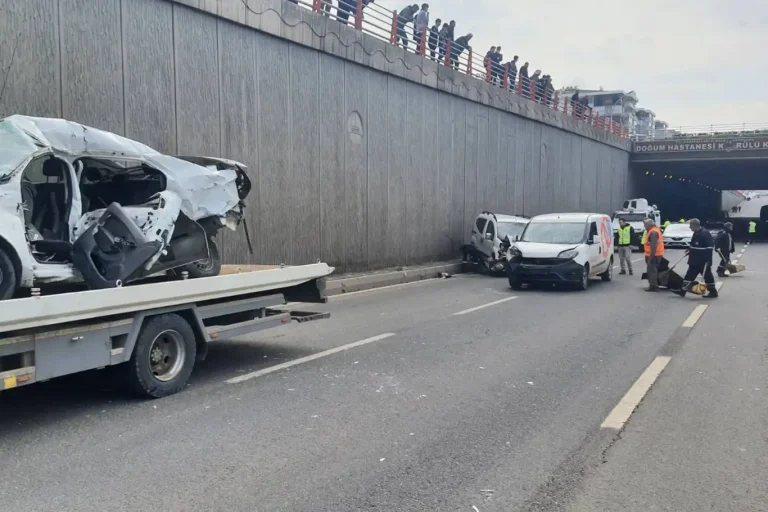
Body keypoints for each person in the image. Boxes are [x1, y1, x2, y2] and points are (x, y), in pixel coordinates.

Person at [673, 218, 718, 298]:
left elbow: (709, 247)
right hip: (694, 260)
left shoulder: (705, 234)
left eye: (690, 226)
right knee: (689, 276)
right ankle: (682, 290)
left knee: (707, 276)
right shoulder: (696, 233)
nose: (690, 227)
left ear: (695, 225)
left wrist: (707, 259)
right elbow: (694, 245)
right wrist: (690, 250)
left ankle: (713, 292)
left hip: (702, 260)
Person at [643, 218, 664, 291]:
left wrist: (651, 257)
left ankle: (654, 286)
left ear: (650, 225)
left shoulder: (653, 232)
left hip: (653, 255)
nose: (644, 226)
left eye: (645, 224)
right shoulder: (653, 230)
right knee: (652, 270)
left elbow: (653, 246)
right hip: (655, 254)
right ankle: (653, 285)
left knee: (652, 271)